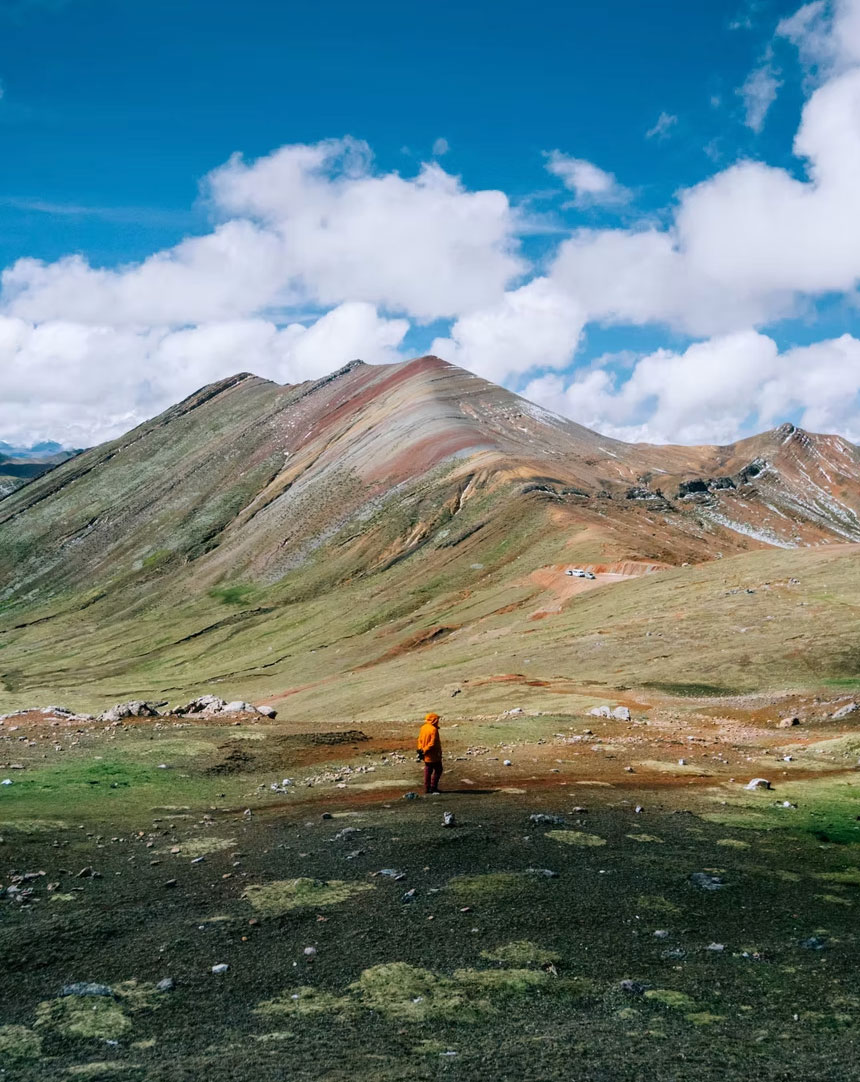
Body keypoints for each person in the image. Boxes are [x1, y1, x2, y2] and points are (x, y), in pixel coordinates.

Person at [416, 712, 443, 794]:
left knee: (428, 770)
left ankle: (427, 788)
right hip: (433, 754)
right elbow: (432, 743)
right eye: (437, 719)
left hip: (425, 754)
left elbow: (419, 740)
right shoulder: (433, 729)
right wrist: (425, 750)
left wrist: (421, 749)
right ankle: (433, 787)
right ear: (434, 720)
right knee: (438, 770)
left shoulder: (423, 727)